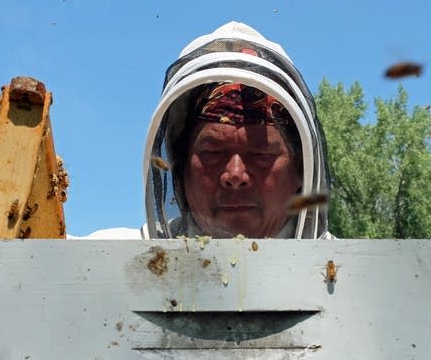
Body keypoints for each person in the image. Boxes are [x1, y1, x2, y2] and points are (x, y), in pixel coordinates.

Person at [81, 21, 332, 240]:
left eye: (262, 154)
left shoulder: (351, 275)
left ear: (300, 170)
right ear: (181, 168)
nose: (235, 175)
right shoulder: (103, 259)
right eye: (212, 152)